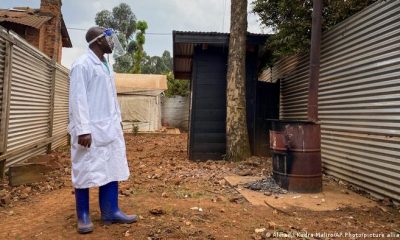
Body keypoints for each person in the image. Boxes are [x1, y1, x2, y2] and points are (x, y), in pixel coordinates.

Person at [68, 26, 137, 234]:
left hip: (109, 128)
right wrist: (82, 130)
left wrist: (118, 121)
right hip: (90, 131)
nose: (112, 42)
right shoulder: (82, 65)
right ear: (98, 41)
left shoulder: (106, 65)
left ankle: (111, 211)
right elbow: (78, 99)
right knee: (85, 171)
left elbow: (109, 99)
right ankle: (84, 216)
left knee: (111, 168)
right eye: (109, 39)